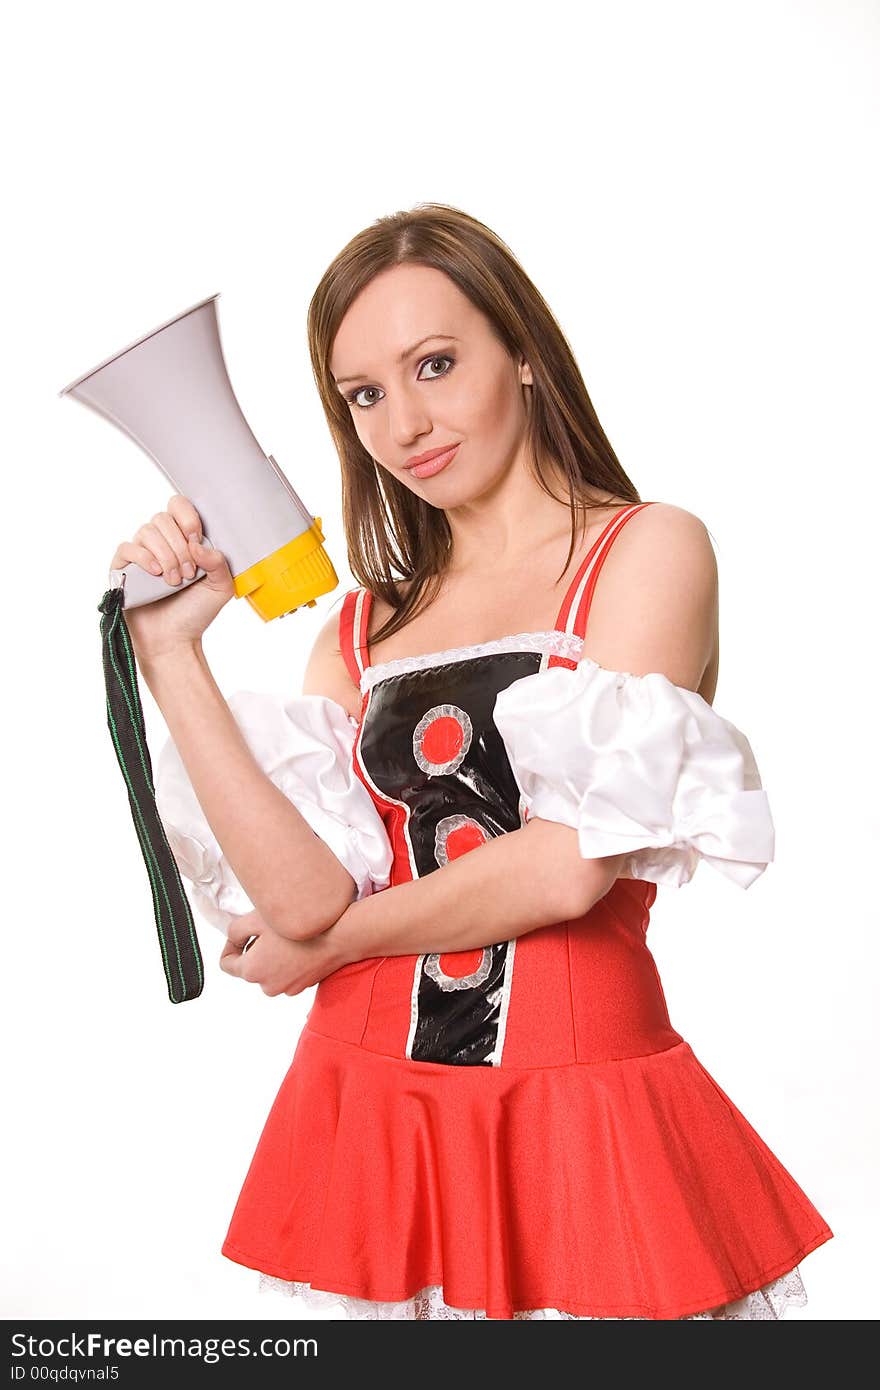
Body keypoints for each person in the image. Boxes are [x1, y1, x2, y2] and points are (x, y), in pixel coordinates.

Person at [114, 204, 832, 1320]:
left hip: (580, 1109)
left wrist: (329, 947)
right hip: (375, 1107)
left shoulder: (645, 549)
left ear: (527, 356)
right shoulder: (356, 632)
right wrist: (169, 653)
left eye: (434, 365)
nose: (405, 423)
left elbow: (563, 871)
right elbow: (303, 894)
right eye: (364, 394)